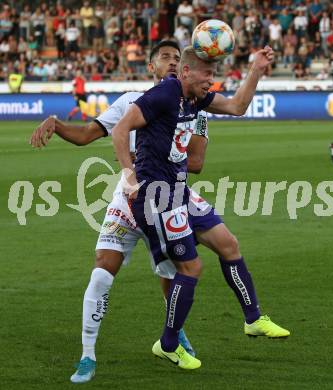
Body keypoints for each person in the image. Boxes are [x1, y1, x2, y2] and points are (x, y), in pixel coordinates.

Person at [30, 40, 206, 383]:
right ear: (151, 67)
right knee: (101, 270)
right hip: (127, 201)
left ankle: (174, 336)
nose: (171, 62)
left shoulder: (191, 111)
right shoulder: (129, 102)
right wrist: (56, 123)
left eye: (176, 58)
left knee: (174, 277)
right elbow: (85, 135)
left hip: (166, 203)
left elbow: (196, 162)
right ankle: (87, 356)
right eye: (164, 57)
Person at [113, 45, 290, 370]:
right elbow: (120, 129)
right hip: (157, 196)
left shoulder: (195, 98)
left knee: (229, 244)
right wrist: (128, 176)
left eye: (213, 73)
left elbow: (237, 106)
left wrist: (256, 68)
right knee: (191, 269)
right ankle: (167, 344)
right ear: (185, 73)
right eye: (206, 74)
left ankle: (253, 318)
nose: (212, 80)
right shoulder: (163, 94)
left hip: (179, 189)